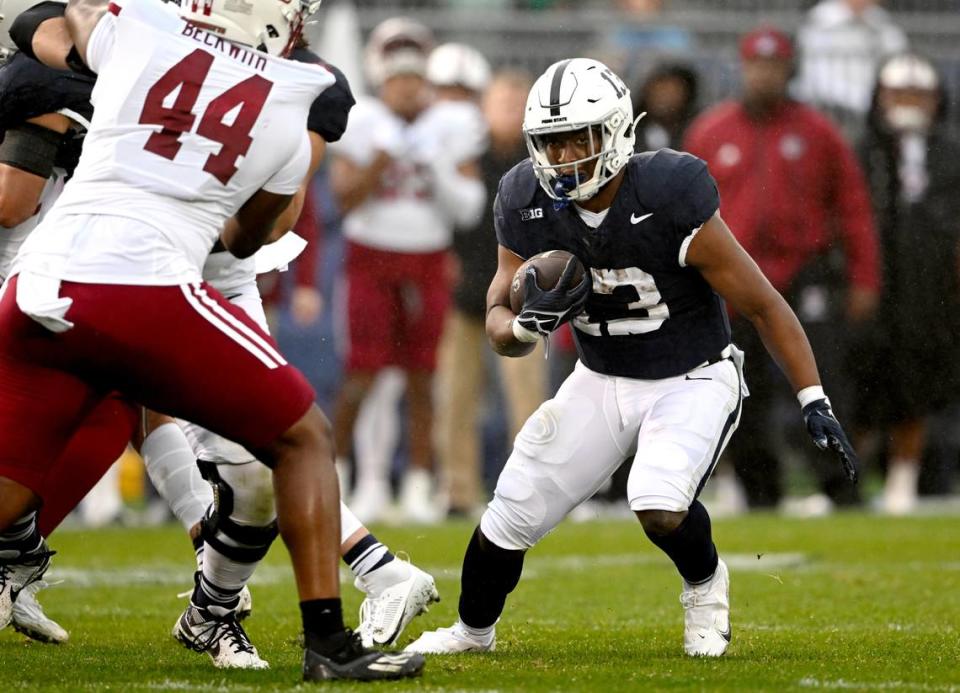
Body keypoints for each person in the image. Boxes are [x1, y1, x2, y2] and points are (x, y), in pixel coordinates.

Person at [0, 0, 424, 681]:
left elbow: (50, 20)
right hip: (148, 284)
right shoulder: (289, 102)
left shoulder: (135, 33)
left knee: (12, 497)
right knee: (304, 436)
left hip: (38, 282)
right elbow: (252, 236)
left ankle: (213, 608)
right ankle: (329, 643)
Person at [405, 57, 858, 658]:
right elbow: (496, 318)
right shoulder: (523, 196)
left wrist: (813, 398)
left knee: (658, 502)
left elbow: (764, 304)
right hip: (601, 375)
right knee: (511, 510)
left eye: (577, 140)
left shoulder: (670, 192)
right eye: (551, 143)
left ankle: (704, 584)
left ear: (617, 132)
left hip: (691, 375)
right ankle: (472, 631)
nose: (563, 158)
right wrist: (523, 327)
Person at [684, 26, 879, 513]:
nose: (764, 75)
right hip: (732, 280)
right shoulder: (711, 131)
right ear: (742, 67)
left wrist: (864, 277)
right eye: (756, 65)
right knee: (738, 390)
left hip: (806, 274)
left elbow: (853, 207)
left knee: (821, 377)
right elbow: (681, 214)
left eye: (774, 65)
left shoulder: (819, 133)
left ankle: (841, 485)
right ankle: (760, 491)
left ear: (789, 70)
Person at [329, 18, 486, 524]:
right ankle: (341, 477)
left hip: (426, 256)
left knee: (423, 376)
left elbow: (468, 208)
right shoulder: (364, 119)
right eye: (397, 76)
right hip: (371, 254)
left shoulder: (452, 124)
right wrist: (382, 158)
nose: (406, 86)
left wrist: (435, 165)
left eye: (415, 77)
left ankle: (419, 483)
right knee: (362, 373)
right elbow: (343, 199)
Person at [852, 53, 960, 514]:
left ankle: (904, 478)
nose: (909, 103)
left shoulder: (950, 153)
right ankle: (849, 480)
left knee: (919, 384)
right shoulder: (863, 150)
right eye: (899, 94)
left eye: (918, 94)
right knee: (860, 381)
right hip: (872, 283)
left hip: (931, 290)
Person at [794, 0, 908, 138]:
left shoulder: (881, 22)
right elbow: (818, 77)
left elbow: (898, 62)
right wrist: (863, 101)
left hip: (874, 111)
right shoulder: (819, 21)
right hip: (832, 109)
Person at [632, 61, 700, 152]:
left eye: (672, 92)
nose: (663, 97)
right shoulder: (628, 128)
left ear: (686, 96)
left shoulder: (696, 131)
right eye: (659, 90)